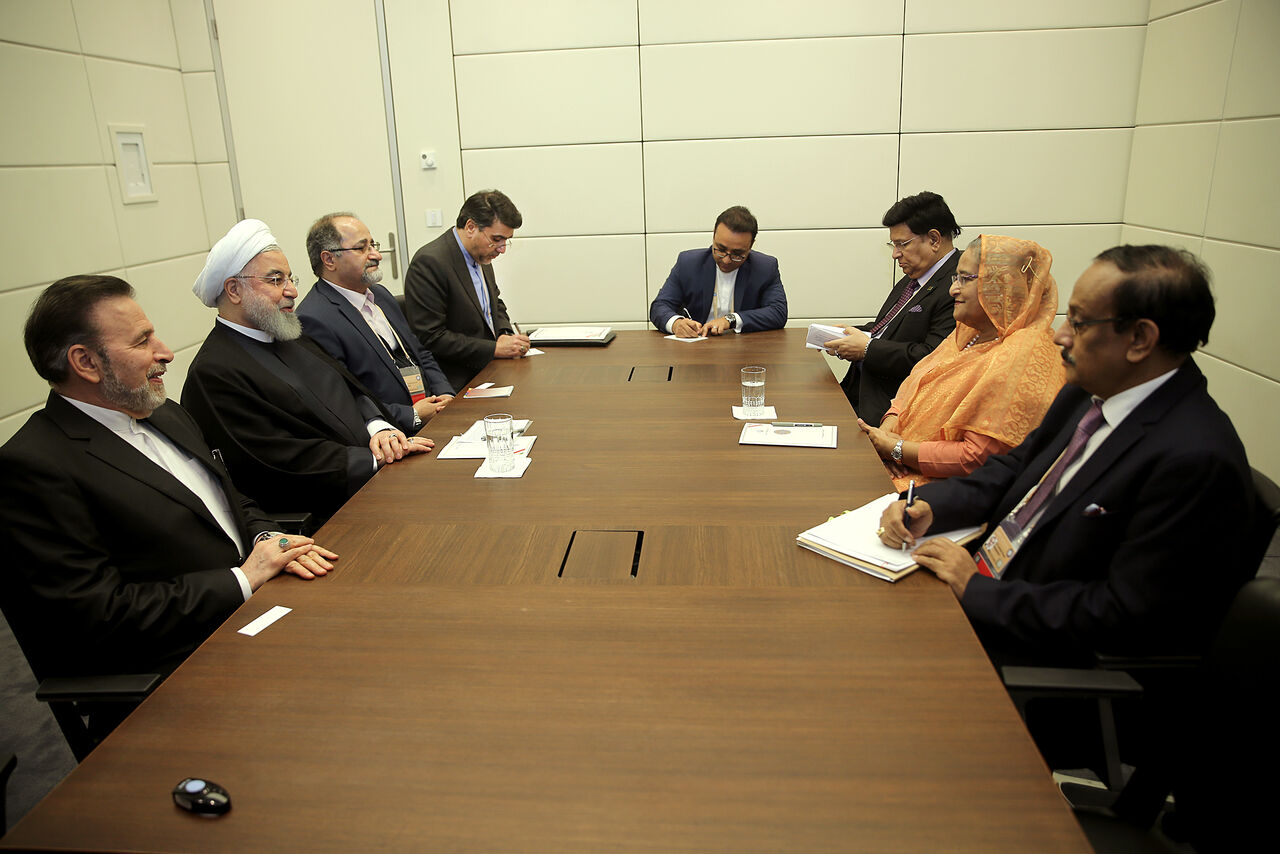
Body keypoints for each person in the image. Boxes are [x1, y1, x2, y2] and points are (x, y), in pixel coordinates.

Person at [877, 245, 1255, 665]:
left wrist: (978, 591)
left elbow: (1126, 615)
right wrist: (930, 505)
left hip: (1031, 647)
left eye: (1078, 322)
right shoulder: (1087, 393)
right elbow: (1014, 468)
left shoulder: (1194, 459)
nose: (1060, 336)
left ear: (1140, 339)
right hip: (988, 584)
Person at [0, 275, 336, 684]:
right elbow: (98, 614)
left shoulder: (166, 413)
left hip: (261, 610)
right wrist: (243, 579)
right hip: (184, 665)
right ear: (85, 363)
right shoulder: (34, 465)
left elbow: (230, 502)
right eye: (142, 342)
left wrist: (271, 541)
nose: (166, 352)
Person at [183, 219, 432, 526]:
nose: (292, 291)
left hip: (371, 480)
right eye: (276, 280)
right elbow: (276, 460)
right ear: (234, 290)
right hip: (324, 512)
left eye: (290, 278)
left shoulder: (289, 335)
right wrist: (372, 458)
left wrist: (378, 429)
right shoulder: (214, 373)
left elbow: (350, 390)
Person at [857, 235, 1065, 492]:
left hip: (941, 492)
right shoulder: (967, 332)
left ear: (1002, 286)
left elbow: (977, 458)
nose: (953, 289)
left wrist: (897, 449)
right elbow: (913, 386)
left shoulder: (1025, 356)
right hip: (898, 462)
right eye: (956, 278)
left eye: (966, 279)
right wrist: (888, 430)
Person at [297, 212, 454, 435]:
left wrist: (445, 394)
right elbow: (346, 399)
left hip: (435, 414)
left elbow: (420, 353)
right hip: (392, 433)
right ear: (329, 259)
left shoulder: (380, 295)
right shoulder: (314, 318)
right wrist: (412, 414)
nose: (377, 255)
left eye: (373, 245)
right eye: (362, 248)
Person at [826, 191, 962, 426]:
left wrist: (866, 349)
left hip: (892, 408)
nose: (895, 254)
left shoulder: (957, 285)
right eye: (893, 244)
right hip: (858, 392)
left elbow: (933, 357)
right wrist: (848, 334)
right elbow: (888, 329)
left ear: (934, 239)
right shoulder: (915, 276)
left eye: (902, 244)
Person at [404, 190, 531, 391]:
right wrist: (494, 348)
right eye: (497, 239)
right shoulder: (430, 262)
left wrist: (505, 334)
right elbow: (431, 337)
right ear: (471, 227)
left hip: (489, 368)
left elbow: (494, 304)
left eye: (506, 240)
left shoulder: (481, 253)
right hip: (457, 379)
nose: (502, 249)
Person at [649, 205, 788, 337]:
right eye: (720, 250)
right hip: (696, 346)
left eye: (737, 254)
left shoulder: (765, 267)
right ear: (714, 236)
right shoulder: (688, 263)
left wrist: (731, 319)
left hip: (745, 348)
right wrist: (676, 324)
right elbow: (660, 306)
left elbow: (778, 312)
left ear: (751, 246)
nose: (726, 260)